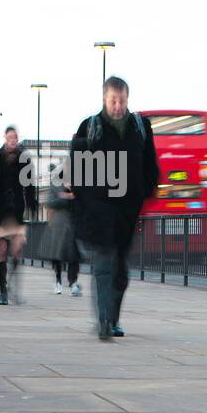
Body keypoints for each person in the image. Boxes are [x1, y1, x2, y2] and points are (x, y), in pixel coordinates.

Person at [70, 76, 159, 339]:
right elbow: (76, 168)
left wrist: (145, 193)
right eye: (113, 101)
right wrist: (83, 199)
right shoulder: (90, 126)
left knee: (120, 268)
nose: (118, 106)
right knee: (104, 264)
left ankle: (114, 317)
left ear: (127, 99)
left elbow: (150, 164)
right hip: (98, 208)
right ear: (104, 99)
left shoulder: (140, 126)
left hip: (127, 210)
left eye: (122, 101)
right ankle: (103, 320)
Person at [0, 126, 37, 305]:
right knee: (2, 250)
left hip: (16, 209)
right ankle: (3, 290)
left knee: (17, 250)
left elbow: (29, 184)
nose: (13, 140)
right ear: (5, 138)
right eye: (10, 137)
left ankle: (13, 286)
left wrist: (32, 203)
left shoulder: (24, 159)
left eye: (15, 137)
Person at [45, 175, 81, 296]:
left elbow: (83, 201)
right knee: (58, 255)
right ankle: (58, 280)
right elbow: (50, 202)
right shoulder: (55, 184)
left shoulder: (78, 183)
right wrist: (66, 196)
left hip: (74, 224)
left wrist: (71, 191)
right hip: (59, 224)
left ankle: (73, 283)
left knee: (74, 255)